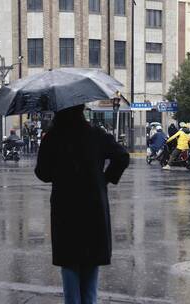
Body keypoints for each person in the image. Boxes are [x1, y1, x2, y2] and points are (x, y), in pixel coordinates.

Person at [35, 104, 129, 304]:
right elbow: (122, 156)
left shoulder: (53, 137)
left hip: (65, 209)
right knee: (90, 270)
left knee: (70, 269)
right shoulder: (96, 134)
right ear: (81, 109)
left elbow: (42, 173)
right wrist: (105, 179)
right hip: (93, 207)